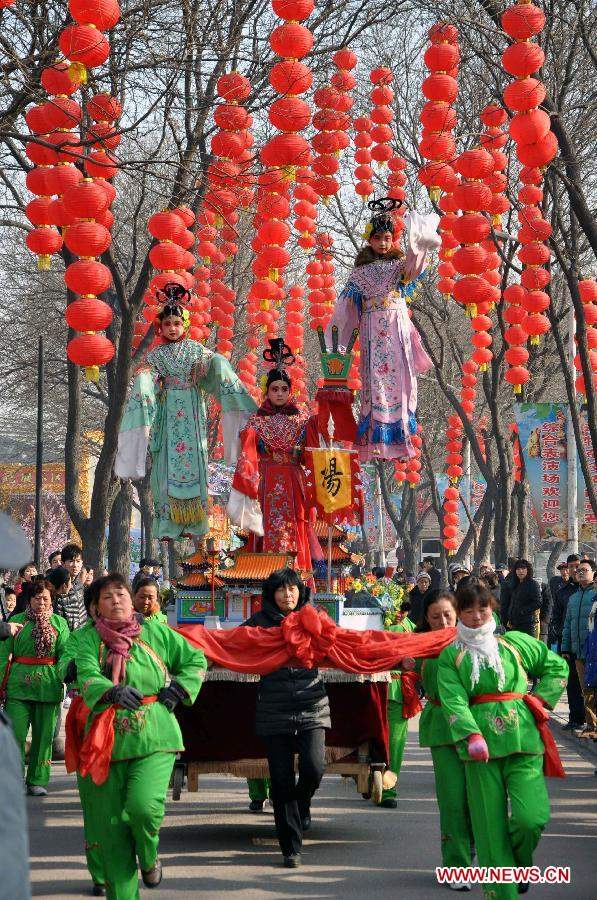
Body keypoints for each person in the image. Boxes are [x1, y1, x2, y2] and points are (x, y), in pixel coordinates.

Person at [70, 573, 207, 897]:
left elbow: (195, 659)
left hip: (154, 736)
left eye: (121, 593)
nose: (116, 600)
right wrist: (111, 692)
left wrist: (179, 688)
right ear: (95, 610)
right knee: (113, 835)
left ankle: (148, 857)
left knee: (144, 808)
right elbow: (87, 673)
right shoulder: (89, 640)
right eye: (107, 597)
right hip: (105, 741)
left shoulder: (156, 632)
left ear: (131, 601)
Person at [438, 581, 568, 899]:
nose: (476, 616)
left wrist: (541, 699)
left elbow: (557, 666)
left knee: (531, 818)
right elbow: (453, 700)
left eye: (482, 609)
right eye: (467, 611)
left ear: (492, 608)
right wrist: (470, 734)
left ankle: (518, 864)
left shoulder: (515, 644)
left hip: (523, 739)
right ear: (459, 613)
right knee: (489, 829)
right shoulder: (451, 656)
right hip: (480, 751)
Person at [116, 282, 256, 541]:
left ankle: (195, 524)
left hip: (192, 417)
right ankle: (167, 525)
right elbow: (150, 378)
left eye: (177, 324)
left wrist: (216, 363)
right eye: (167, 324)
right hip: (168, 417)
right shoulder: (156, 355)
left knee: (196, 463)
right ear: (161, 326)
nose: (172, 328)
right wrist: (147, 380)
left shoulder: (196, 350)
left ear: (186, 326)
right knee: (165, 468)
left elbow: (210, 368)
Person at [327, 197, 440, 461]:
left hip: (396, 329)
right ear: (370, 240)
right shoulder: (359, 273)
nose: (383, 243)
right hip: (372, 331)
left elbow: (415, 265)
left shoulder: (399, 266)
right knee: (375, 383)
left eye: (387, 238)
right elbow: (345, 309)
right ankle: (375, 442)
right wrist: (337, 343)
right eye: (378, 238)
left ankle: (400, 442)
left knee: (401, 383)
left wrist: (420, 242)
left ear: (393, 239)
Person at [243, 569, 330, 867]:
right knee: (280, 781)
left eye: (292, 589)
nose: (287, 594)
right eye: (280, 590)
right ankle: (290, 848)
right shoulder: (258, 623)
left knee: (314, 768)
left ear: (300, 591)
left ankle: (302, 804)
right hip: (274, 709)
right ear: (271, 594)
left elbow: (339, 642)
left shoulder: (314, 617)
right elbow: (232, 644)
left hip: (313, 706)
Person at [228, 340, 322, 573]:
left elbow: (311, 457)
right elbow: (248, 456)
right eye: (274, 389)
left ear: (291, 391)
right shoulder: (256, 421)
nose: (279, 393)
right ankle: (264, 575)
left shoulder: (302, 420)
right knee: (265, 526)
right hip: (267, 482)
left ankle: (295, 575)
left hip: (293, 481)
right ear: (267, 391)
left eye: (284, 389)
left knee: (294, 524)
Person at [415, 590, 474, 888]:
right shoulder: (419, 646)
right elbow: (385, 658)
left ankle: (477, 846)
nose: (442, 621)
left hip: (480, 728)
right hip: (442, 728)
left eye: (448, 615)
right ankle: (457, 867)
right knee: (452, 801)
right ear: (425, 619)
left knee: (480, 800)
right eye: (435, 616)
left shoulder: (478, 640)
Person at [0, 579, 69, 795]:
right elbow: (3, 655)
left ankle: (37, 780)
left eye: (45, 598)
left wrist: (68, 677)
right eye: (36, 597)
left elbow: (66, 655)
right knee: (15, 735)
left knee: (44, 737)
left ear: (52, 601)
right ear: (29, 600)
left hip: (49, 686)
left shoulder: (60, 624)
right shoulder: (17, 621)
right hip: (18, 686)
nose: (41, 602)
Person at [380, 598, 416, 809]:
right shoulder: (410, 628)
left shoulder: (408, 628)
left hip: (391, 688)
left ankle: (384, 787)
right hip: (390, 688)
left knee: (389, 741)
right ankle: (386, 788)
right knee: (394, 743)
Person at [561, 560, 596, 738]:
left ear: (593, 573)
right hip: (578, 651)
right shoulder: (573, 598)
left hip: (594, 651)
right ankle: (591, 726)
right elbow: (567, 624)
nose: (580, 573)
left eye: (585, 570)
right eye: (578, 570)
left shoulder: (595, 595)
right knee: (586, 689)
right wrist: (565, 647)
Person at [500, 558, 542, 637]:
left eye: (523, 568)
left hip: (528, 623)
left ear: (528, 570)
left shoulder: (533, 584)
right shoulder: (514, 584)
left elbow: (538, 602)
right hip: (514, 623)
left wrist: (522, 611)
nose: (521, 571)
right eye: (518, 569)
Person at [57, 543, 87, 632]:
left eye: (78, 561)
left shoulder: (80, 586)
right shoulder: (58, 585)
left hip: (80, 637)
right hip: (63, 635)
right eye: (71, 561)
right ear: (63, 563)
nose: (75, 565)